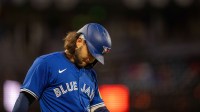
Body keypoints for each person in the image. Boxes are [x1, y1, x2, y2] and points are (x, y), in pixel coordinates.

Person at [13, 23, 112, 112]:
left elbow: (98, 108)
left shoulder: (91, 75)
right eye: (90, 53)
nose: (91, 60)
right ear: (79, 41)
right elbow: (24, 100)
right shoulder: (46, 63)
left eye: (95, 57)